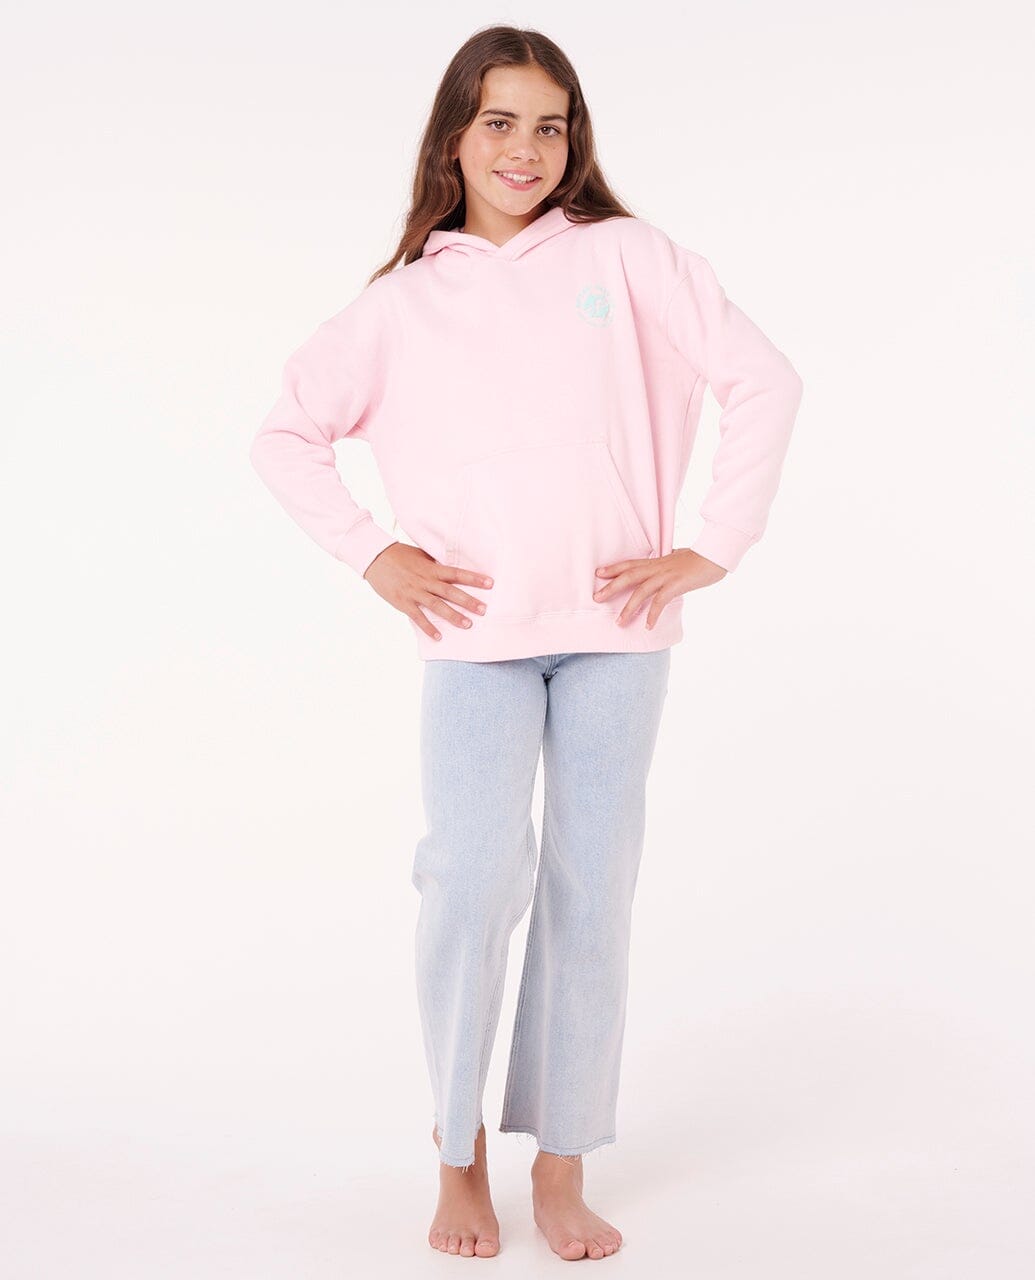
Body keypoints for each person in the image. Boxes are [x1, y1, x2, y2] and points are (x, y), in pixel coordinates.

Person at [249, 24, 803, 1263]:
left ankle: (562, 1157)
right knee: (469, 879)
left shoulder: (629, 256)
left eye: (550, 125)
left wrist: (712, 545)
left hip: (619, 630)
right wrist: (375, 553)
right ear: (455, 135)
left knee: (591, 889)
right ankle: (457, 1151)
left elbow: (765, 379)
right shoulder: (401, 304)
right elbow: (284, 434)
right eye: (500, 121)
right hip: (475, 637)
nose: (526, 148)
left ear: (575, 139)